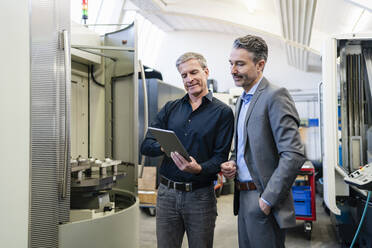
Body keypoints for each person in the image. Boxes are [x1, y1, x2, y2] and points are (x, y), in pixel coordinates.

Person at [141, 52, 234, 248]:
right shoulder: (170, 108)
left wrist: (199, 168)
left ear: (206, 72)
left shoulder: (223, 113)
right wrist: (163, 146)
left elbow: (220, 157)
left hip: (200, 197)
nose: (189, 79)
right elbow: (146, 145)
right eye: (184, 75)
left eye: (194, 72)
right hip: (167, 195)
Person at [221, 35, 306, 248]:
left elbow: (293, 153)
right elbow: (243, 147)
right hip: (243, 195)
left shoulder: (275, 96)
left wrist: (267, 200)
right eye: (231, 63)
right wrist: (233, 162)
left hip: (263, 197)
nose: (233, 70)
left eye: (240, 64)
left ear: (260, 65)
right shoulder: (242, 99)